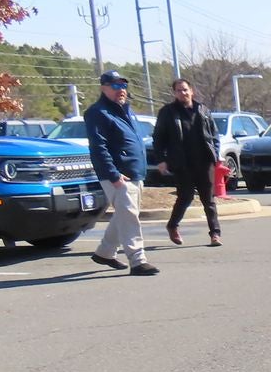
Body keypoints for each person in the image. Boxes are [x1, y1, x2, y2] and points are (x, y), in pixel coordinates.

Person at [84, 70, 159, 276]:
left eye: (123, 86)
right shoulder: (97, 112)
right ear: (103, 88)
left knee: (124, 215)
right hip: (117, 175)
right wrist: (113, 173)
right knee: (130, 216)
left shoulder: (126, 110)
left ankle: (105, 252)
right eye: (115, 86)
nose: (121, 90)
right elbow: (99, 147)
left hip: (135, 172)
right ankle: (138, 260)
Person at [153, 77, 223, 247]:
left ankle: (215, 234)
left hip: (204, 162)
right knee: (185, 197)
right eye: (178, 90)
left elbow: (214, 135)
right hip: (182, 163)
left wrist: (216, 154)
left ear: (191, 91)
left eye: (185, 89)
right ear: (174, 93)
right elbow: (158, 138)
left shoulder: (203, 110)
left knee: (209, 200)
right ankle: (172, 226)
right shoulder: (168, 112)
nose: (182, 93)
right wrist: (161, 160)